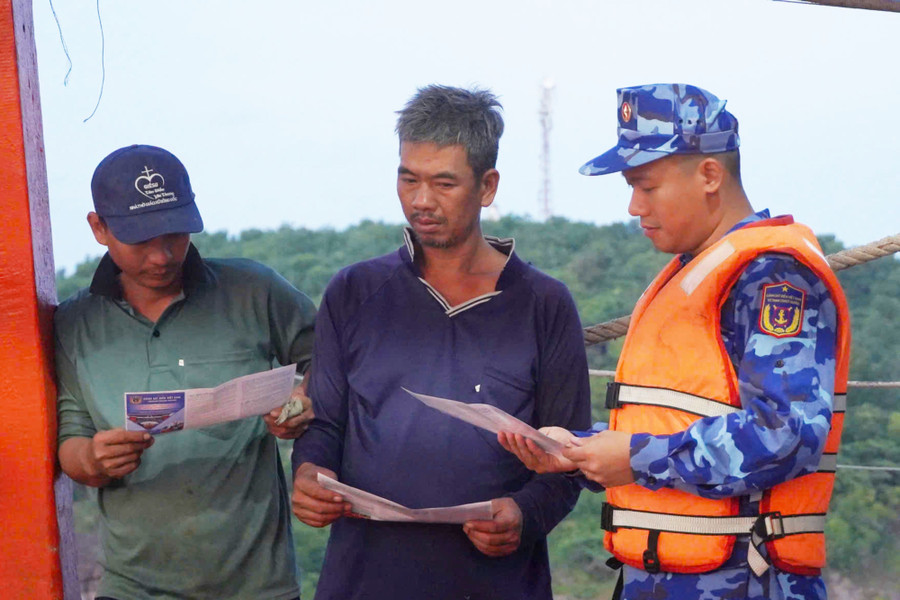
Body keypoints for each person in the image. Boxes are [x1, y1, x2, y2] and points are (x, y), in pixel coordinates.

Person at [499, 84, 851, 600]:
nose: (633, 206)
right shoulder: (695, 272)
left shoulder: (772, 277)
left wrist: (639, 457)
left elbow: (787, 433)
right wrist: (582, 450)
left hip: (745, 582)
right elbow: (679, 420)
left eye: (646, 186)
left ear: (709, 174)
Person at [290, 85, 591, 599]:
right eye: (408, 179)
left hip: (497, 584)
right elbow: (324, 424)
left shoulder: (544, 304)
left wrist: (523, 513)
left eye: (444, 183)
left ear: (487, 186)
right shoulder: (354, 292)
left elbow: (570, 461)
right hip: (364, 579)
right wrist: (309, 472)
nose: (421, 200)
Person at [55, 144, 317, 600]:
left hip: (258, 586)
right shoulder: (75, 324)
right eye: (141, 240)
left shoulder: (255, 292)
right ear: (99, 228)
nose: (162, 256)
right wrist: (94, 461)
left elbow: (330, 364)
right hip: (133, 586)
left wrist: (302, 402)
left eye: (175, 234)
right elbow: (70, 441)